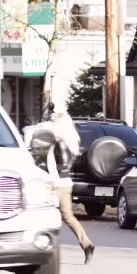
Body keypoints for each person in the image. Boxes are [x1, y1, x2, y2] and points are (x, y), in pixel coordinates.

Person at [46, 112, 95, 263]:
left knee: (44, 215)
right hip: (67, 182)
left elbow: (51, 165)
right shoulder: (72, 141)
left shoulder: (56, 142)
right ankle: (86, 243)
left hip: (55, 183)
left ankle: (43, 248)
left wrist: (51, 184)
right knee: (68, 216)